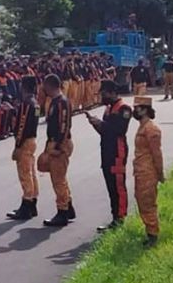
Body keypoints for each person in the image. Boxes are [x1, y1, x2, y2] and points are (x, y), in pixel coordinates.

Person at [83, 80, 133, 230]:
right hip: (107, 151)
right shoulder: (108, 108)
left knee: (118, 186)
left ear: (112, 92)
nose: (102, 96)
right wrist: (95, 124)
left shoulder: (123, 109)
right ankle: (114, 217)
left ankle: (120, 218)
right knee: (110, 186)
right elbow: (105, 132)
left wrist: (101, 123)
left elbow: (119, 130)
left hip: (117, 152)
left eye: (104, 93)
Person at [38, 74, 78, 227]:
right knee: (59, 177)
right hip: (54, 142)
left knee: (58, 179)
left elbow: (64, 125)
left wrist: (57, 145)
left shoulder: (62, 102)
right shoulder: (54, 102)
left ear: (49, 86)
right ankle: (68, 207)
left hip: (60, 143)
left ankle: (62, 212)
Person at [6, 75, 41, 221]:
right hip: (32, 139)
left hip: (25, 141)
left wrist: (17, 146)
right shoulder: (35, 103)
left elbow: (22, 125)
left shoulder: (27, 104)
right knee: (31, 172)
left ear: (24, 87)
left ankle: (27, 204)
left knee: (25, 174)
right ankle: (32, 202)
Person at [131, 96, 166, 244]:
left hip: (148, 172)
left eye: (137, 108)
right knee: (141, 201)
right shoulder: (143, 127)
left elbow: (157, 154)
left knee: (147, 203)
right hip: (140, 171)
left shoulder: (151, 129)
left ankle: (152, 235)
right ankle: (149, 232)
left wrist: (160, 174)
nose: (135, 111)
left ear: (145, 110)